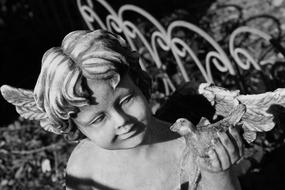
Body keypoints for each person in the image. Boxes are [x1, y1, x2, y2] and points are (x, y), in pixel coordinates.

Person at [1, 29, 243, 190]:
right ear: (74, 126)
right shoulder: (83, 166)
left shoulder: (185, 150)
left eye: (126, 100)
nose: (121, 121)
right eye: (97, 119)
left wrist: (218, 175)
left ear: (138, 82)